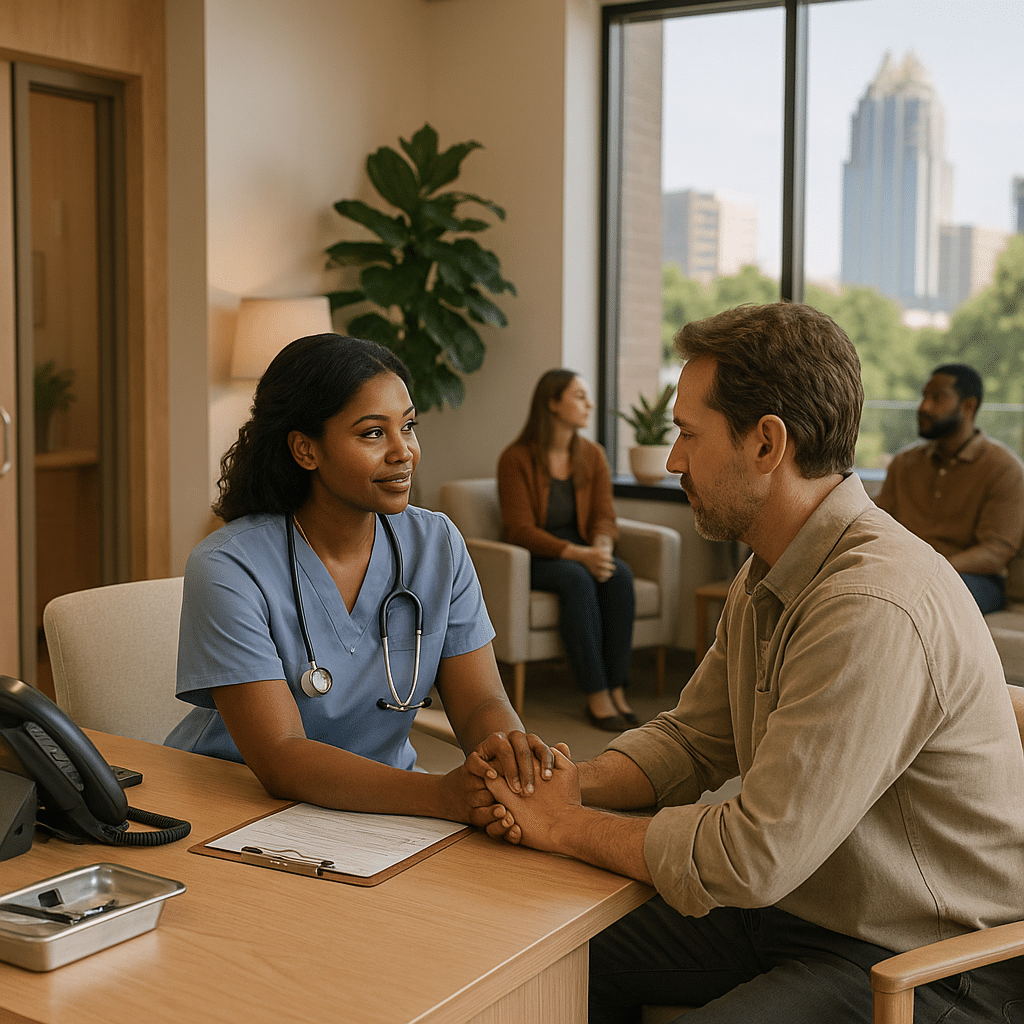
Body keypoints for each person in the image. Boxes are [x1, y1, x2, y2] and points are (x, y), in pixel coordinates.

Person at [482, 304, 1024, 1023]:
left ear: (768, 443)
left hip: (924, 961)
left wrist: (564, 827)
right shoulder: (774, 566)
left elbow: (751, 854)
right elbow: (691, 739)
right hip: (795, 909)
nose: (672, 459)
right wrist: (569, 784)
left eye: (687, 434)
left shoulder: (872, 603)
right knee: (536, 958)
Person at [165, 333, 560, 829]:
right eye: (373, 433)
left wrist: (511, 766)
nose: (404, 452)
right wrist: (443, 796)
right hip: (238, 807)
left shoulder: (436, 543)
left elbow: (481, 701)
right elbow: (281, 755)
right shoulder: (228, 566)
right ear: (306, 449)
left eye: (408, 426)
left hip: (387, 808)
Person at [497, 369, 637, 732]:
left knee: (619, 574)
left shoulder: (592, 455)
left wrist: (601, 549)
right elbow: (519, 530)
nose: (589, 404)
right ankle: (596, 693)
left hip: (582, 550)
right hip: (539, 557)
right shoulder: (515, 459)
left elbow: (605, 515)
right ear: (553, 404)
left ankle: (618, 686)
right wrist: (579, 555)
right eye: (579, 396)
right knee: (576, 579)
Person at [875, 363, 1024, 614]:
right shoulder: (904, 463)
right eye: (923, 396)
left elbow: (996, 552)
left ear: (968, 406)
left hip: (975, 578)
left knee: (926, 597)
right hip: (905, 570)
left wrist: (932, 567)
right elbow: (878, 524)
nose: (924, 407)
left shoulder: (1004, 468)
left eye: (937, 398)